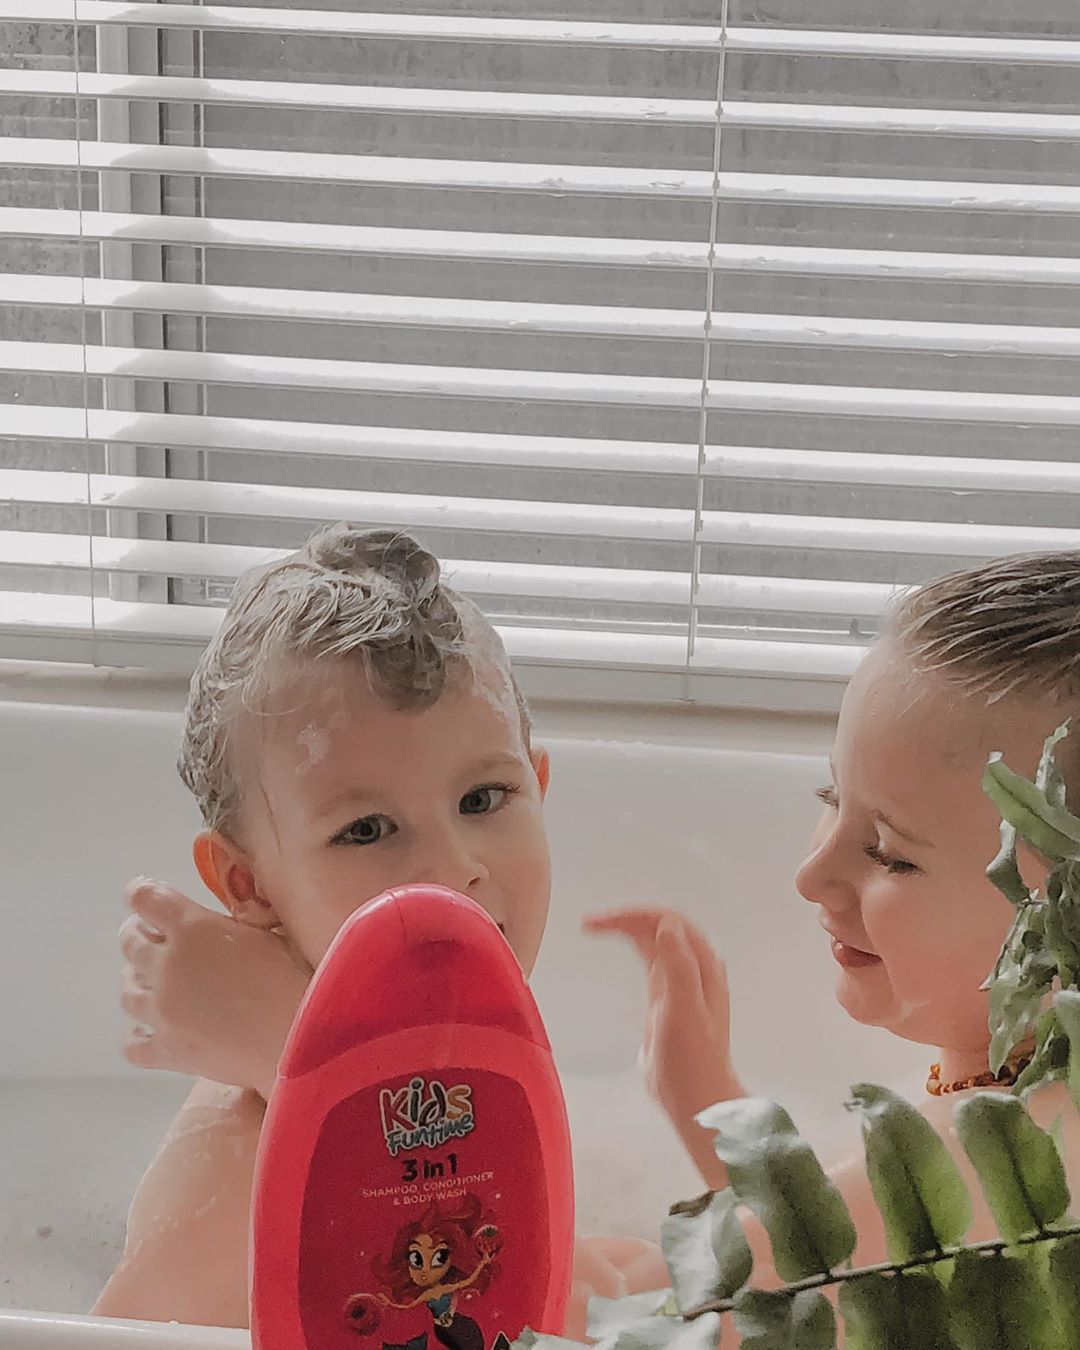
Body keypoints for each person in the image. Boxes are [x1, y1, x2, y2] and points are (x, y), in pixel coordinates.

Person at [94, 523, 660, 1331]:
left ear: (537, 787)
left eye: (482, 799)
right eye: (364, 830)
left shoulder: (462, 1056)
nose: (452, 870)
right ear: (249, 884)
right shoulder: (233, 1176)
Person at [591, 550, 1080, 1283]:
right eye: (831, 798)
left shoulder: (987, 1159)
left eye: (889, 855)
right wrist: (700, 1094)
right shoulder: (1024, 1100)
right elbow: (822, 1263)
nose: (811, 875)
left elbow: (648, 1307)